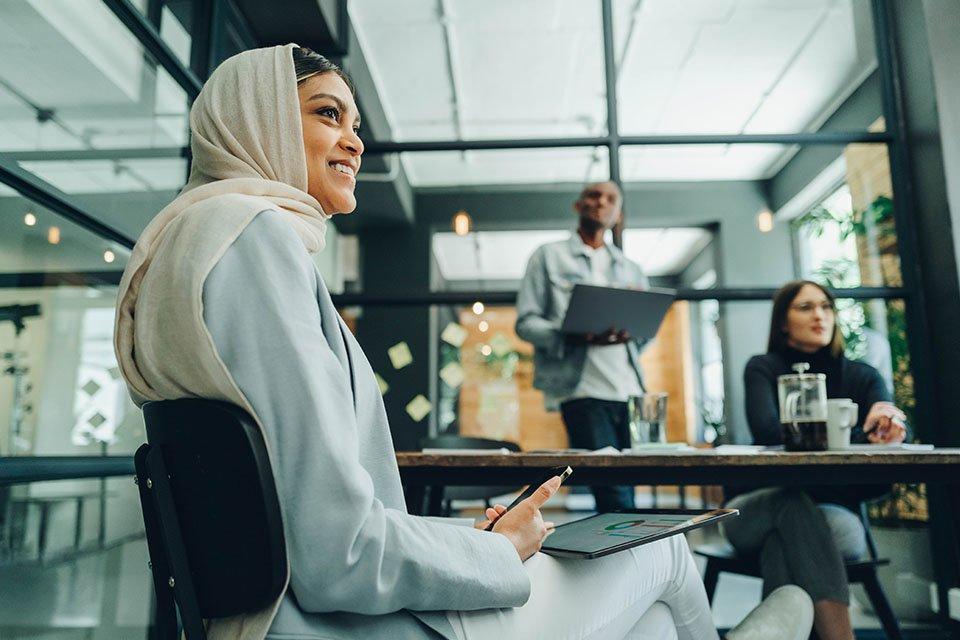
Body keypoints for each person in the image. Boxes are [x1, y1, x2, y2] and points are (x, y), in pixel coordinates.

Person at [112, 44, 736, 640]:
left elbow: (301, 511)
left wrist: (462, 540)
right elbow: (341, 552)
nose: (355, 141)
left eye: (355, 121)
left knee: (651, 625)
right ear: (260, 118)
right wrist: (492, 549)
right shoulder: (255, 243)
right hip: (338, 622)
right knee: (668, 553)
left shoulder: (188, 247)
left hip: (296, 609)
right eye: (328, 114)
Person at [723, 280, 908, 640]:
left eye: (825, 306)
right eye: (805, 307)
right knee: (789, 503)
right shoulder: (763, 368)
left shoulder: (862, 376)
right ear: (782, 321)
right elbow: (768, 433)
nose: (820, 315)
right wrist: (856, 440)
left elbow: (884, 460)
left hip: (834, 517)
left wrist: (890, 431)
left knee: (785, 540)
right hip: (755, 511)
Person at [516, 182, 648, 512]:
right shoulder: (548, 257)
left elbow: (645, 332)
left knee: (630, 486)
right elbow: (526, 322)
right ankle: (624, 557)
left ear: (618, 214)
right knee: (613, 493)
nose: (601, 202)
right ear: (578, 205)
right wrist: (572, 334)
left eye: (610, 199)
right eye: (593, 195)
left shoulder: (631, 269)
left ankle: (624, 556)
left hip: (630, 392)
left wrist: (626, 333)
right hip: (581, 392)